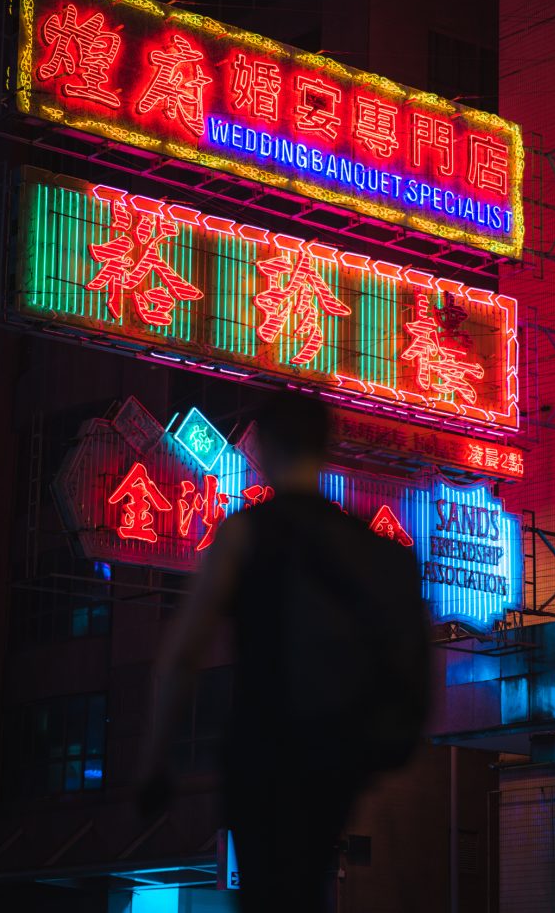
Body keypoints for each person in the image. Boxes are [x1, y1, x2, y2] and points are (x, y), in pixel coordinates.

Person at [138, 389, 428, 913]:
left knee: (266, 891)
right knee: (310, 881)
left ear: (264, 448)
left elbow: (183, 654)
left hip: (262, 749)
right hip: (337, 756)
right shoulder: (373, 548)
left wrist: (156, 760)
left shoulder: (246, 534)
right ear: (324, 446)